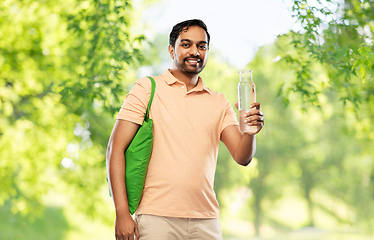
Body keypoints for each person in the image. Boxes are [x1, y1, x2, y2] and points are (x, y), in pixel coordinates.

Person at [106, 19, 264, 240]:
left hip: (206, 221)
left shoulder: (219, 102)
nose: (195, 51)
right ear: (172, 49)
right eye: (186, 44)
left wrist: (249, 132)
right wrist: (122, 213)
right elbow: (115, 149)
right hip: (156, 219)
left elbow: (242, 157)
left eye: (202, 46)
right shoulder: (147, 89)